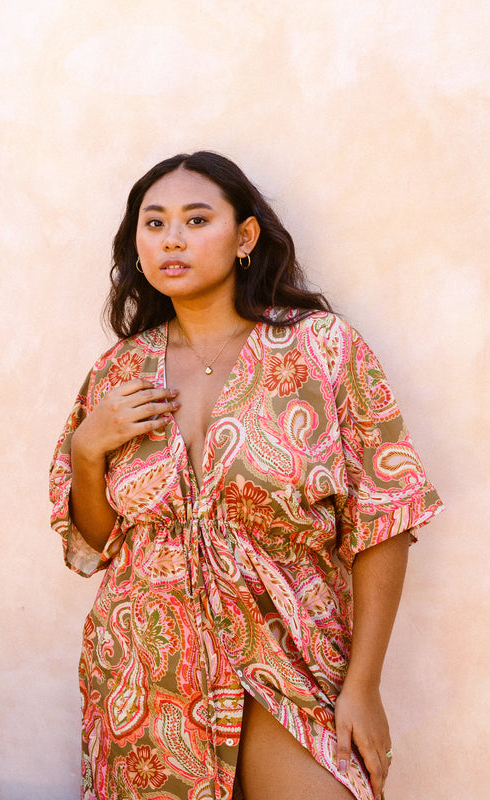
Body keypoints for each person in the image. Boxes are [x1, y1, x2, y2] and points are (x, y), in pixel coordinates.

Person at [49, 151, 443, 800]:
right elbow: (96, 542)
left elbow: (384, 515)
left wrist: (364, 685)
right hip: (146, 671)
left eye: (196, 219)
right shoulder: (119, 371)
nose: (171, 238)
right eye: (153, 224)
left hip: (287, 649)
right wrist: (89, 449)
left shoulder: (322, 348)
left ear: (245, 237)